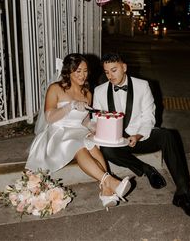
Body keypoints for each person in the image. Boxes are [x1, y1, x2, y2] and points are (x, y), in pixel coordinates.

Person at [93, 52, 190, 220]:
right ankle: (146, 169)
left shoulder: (142, 85)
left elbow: (149, 117)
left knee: (167, 135)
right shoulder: (99, 91)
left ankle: (183, 193)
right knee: (107, 151)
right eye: (107, 72)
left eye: (114, 70)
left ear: (124, 67)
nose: (110, 76)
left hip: (140, 136)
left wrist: (138, 135)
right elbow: (97, 119)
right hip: (116, 142)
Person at [26, 53, 131, 210]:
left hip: (78, 130)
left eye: (85, 71)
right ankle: (109, 181)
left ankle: (106, 190)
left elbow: (85, 121)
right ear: (69, 72)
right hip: (58, 131)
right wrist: (70, 106)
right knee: (79, 145)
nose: (83, 75)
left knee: (93, 145)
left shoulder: (87, 94)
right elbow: (49, 117)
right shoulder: (55, 88)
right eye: (78, 71)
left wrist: (102, 127)